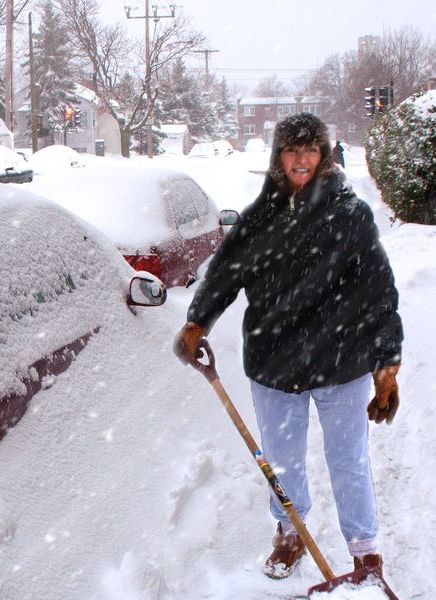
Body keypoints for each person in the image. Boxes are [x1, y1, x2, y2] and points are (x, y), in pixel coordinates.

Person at [172, 113, 402, 580]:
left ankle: (364, 551)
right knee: (280, 461)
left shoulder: (350, 215)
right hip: (275, 363)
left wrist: (387, 363)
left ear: (323, 157)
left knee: (349, 460)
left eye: (311, 150)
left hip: (343, 362)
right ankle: (290, 533)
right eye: (292, 151)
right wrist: (199, 320)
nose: (301, 159)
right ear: (279, 158)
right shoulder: (260, 219)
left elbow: (378, 289)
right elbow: (224, 273)